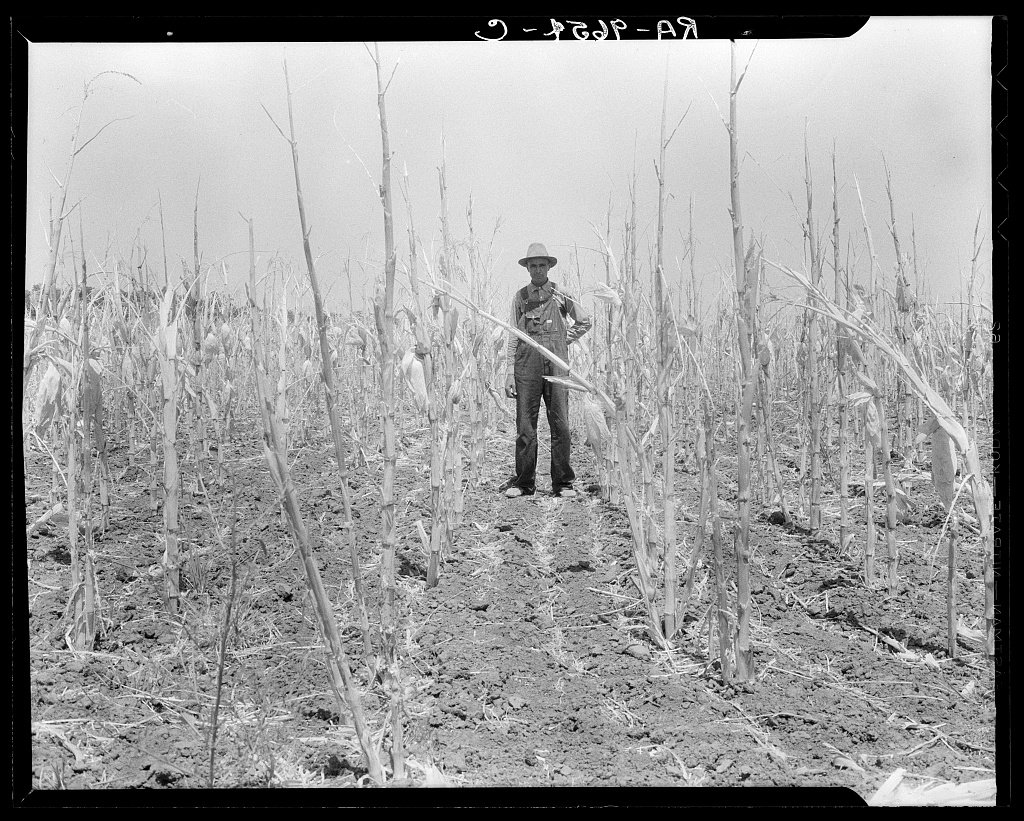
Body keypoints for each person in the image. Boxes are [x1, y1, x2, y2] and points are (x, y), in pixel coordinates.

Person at [502, 243, 592, 498]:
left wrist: (563, 339)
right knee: (525, 426)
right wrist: (510, 371)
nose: (538, 270)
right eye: (533, 266)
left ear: (549, 267)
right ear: (527, 269)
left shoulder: (561, 294)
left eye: (542, 265)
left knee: (560, 424)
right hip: (525, 364)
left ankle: (563, 483)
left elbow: (585, 321)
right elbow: (513, 335)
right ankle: (523, 483)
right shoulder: (520, 297)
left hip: (556, 363)